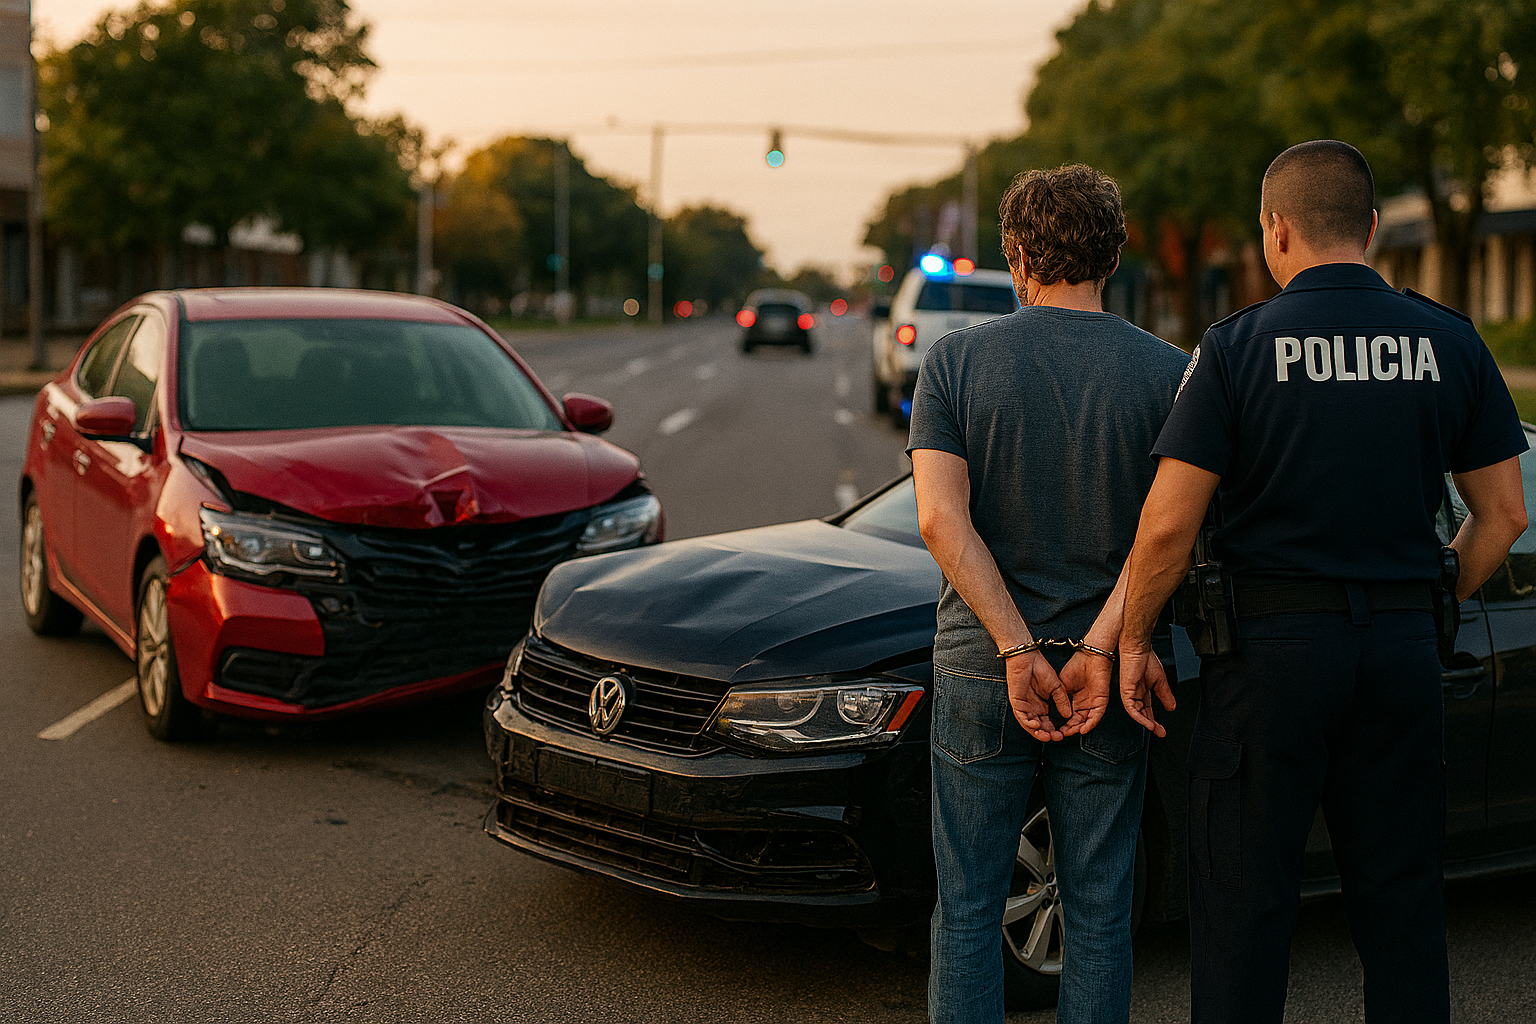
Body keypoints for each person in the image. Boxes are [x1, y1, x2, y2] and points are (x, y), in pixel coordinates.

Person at [1114, 140, 1530, 1024]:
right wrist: (1432, 599)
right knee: (1403, 912)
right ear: (1371, 228)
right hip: (1403, 657)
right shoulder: (1449, 341)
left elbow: (1170, 524)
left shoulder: (1235, 348)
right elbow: (1504, 515)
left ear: (1276, 231)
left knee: (1243, 912)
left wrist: (1136, 638)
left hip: (1269, 662)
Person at [909, 163, 1191, 1024]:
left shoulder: (955, 360)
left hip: (980, 667)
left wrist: (1015, 646)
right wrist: (1102, 642)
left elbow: (940, 520)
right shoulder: (1171, 374)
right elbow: (1170, 535)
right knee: (1100, 910)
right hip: (1112, 674)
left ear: (1017, 256)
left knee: (967, 907)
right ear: (1114, 254)